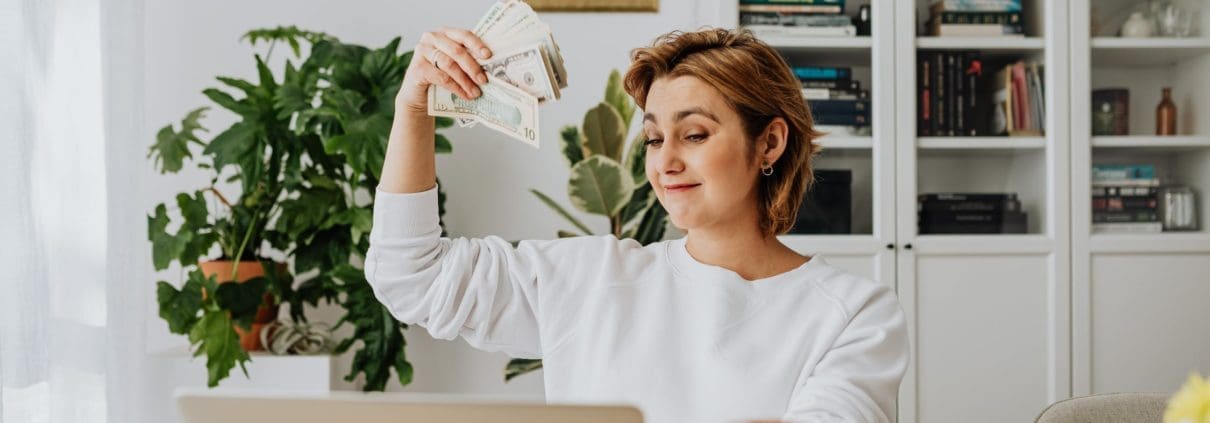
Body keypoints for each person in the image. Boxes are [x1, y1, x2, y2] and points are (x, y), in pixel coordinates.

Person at [367, 26, 909, 423]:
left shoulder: (854, 314)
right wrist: (413, 111)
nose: (665, 161)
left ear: (768, 142)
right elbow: (411, 275)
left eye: (694, 134)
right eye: (653, 139)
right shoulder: (590, 278)